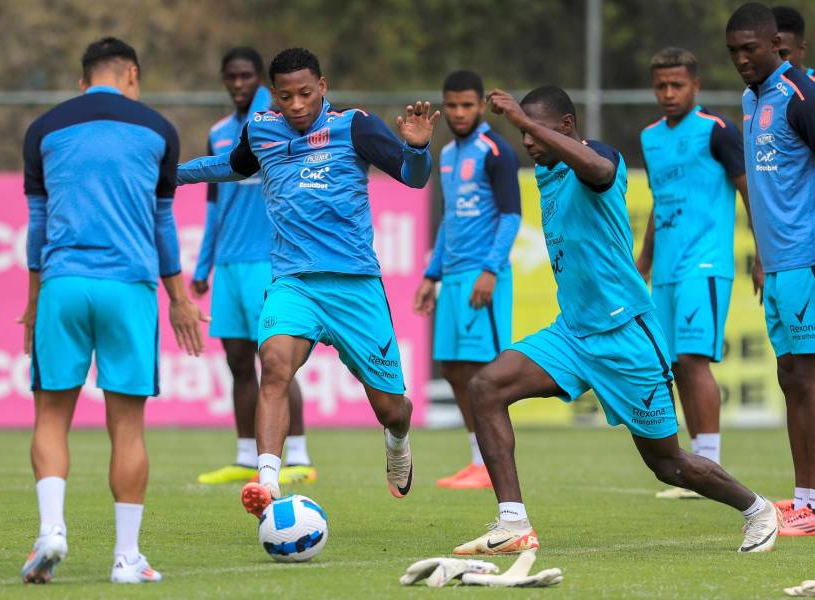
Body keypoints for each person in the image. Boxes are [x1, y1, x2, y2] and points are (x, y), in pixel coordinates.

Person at [452, 85, 779, 556]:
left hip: (626, 335)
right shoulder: (548, 172)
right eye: (523, 134)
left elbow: (601, 169)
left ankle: (757, 509)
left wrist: (523, 121)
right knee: (486, 387)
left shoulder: (597, 159)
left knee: (669, 465)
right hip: (573, 333)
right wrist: (529, 129)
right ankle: (513, 523)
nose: (527, 143)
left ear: (565, 126)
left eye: (537, 131)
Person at [177, 48, 438, 517]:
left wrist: (417, 149)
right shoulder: (261, 131)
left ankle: (398, 440)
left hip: (355, 286)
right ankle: (269, 481)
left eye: (304, 93)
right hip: (294, 282)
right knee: (273, 365)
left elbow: (412, 178)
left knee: (391, 408)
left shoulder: (354, 126)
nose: (296, 105)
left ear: (322, 85)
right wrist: (173, 176)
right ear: (272, 96)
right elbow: (231, 167)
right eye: (285, 96)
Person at [20, 37, 207, 584]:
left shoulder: (43, 130)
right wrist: (179, 300)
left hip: (63, 284)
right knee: (127, 425)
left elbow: (37, 225)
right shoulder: (158, 130)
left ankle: (51, 531)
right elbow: (163, 224)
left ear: (83, 82)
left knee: (52, 415)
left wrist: (33, 300)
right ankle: (127, 559)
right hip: (128, 288)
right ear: (132, 74)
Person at [636, 47, 759, 499]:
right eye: (661, 86)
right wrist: (644, 262)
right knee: (671, 366)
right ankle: (694, 467)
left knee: (692, 360)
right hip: (665, 270)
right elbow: (659, 202)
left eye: (677, 85)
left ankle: (710, 466)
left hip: (704, 265)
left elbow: (750, 192)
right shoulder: (650, 137)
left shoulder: (717, 131)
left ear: (696, 86)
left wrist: (764, 256)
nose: (668, 94)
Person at [193, 47, 315, 487]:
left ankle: (298, 453)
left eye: (247, 76)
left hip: (271, 259)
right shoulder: (219, 132)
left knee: (277, 361)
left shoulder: (281, 122)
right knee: (239, 361)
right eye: (232, 77)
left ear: (261, 81)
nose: (239, 83)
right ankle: (246, 456)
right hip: (228, 263)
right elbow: (214, 204)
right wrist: (204, 263)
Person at [727, 2, 815, 536]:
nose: (742, 60)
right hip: (778, 265)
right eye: (734, 51)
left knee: (807, 377)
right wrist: (762, 254)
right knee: (792, 378)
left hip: (807, 260)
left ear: (774, 45)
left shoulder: (800, 94)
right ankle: (804, 496)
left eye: (751, 49)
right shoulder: (749, 98)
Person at [413, 70, 521, 490]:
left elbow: (512, 216)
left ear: (479, 106)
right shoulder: (445, 154)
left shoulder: (495, 150)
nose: (459, 113)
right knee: (455, 370)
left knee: (484, 374)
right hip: (453, 278)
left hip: (483, 279)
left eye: (467, 105)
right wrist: (431, 274)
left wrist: (490, 270)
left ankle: (495, 465)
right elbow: (450, 221)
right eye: (452, 105)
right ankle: (478, 460)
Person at [773, 6, 815, 80]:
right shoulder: (757, 89)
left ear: (802, 50)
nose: (775, 62)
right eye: (771, 55)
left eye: (782, 54)